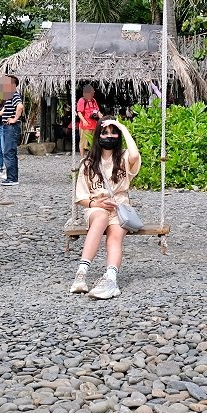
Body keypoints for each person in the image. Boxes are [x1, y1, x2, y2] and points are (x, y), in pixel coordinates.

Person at [69, 119, 141, 299]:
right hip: (96, 207)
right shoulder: (88, 163)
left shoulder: (124, 158)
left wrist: (123, 128)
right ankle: (81, 273)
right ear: (98, 136)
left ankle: (110, 279)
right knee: (100, 217)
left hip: (119, 208)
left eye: (113, 132)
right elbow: (81, 197)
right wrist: (97, 204)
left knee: (114, 237)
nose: (109, 136)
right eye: (105, 132)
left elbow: (134, 155)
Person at [0, 75, 24, 187]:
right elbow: (3, 112)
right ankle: (12, 177)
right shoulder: (9, 96)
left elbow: (20, 106)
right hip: (8, 127)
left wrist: (14, 119)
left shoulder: (14, 94)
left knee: (9, 152)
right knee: (10, 152)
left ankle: (12, 178)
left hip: (11, 127)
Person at [75, 84, 101, 157]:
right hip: (85, 126)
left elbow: (97, 110)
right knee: (83, 142)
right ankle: (82, 158)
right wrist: (84, 121)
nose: (93, 92)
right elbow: (79, 112)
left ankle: (92, 157)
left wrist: (100, 116)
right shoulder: (82, 100)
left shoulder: (93, 100)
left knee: (93, 142)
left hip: (94, 125)